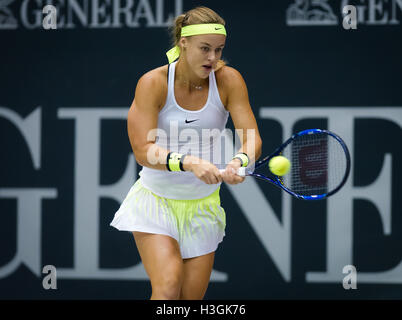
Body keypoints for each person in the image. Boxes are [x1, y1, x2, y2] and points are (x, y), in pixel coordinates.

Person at [110, 6, 262, 300]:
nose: (213, 58)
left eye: (218, 50)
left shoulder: (229, 80)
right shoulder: (153, 83)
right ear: (183, 42)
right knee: (168, 286)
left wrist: (238, 161)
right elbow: (143, 150)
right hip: (155, 202)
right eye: (205, 49)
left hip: (202, 206)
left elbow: (251, 138)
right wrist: (188, 162)